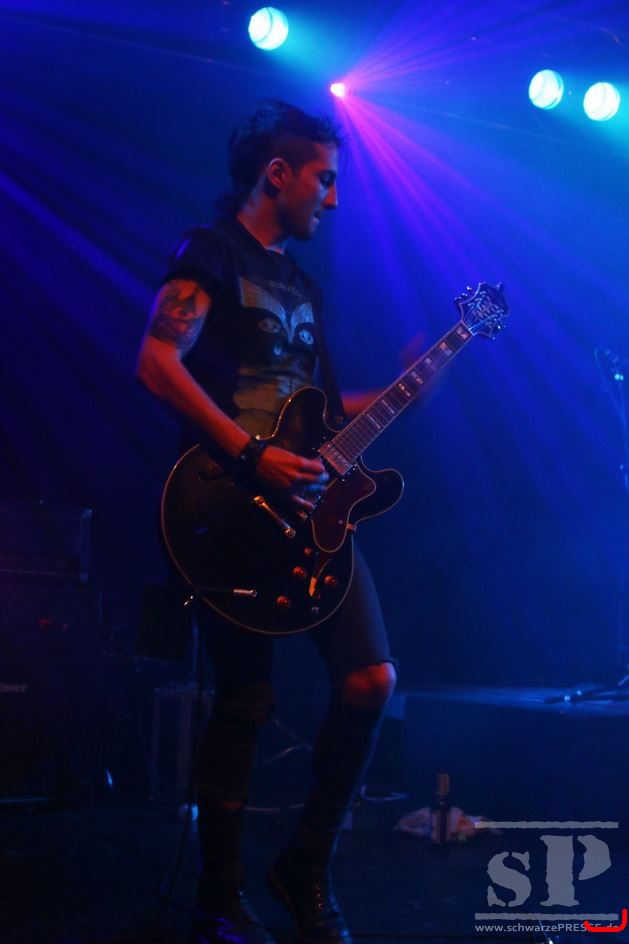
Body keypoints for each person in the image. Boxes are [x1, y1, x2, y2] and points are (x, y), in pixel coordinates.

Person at [136, 99, 397, 944]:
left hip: (303, 511)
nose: (333, 198)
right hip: (222, 506)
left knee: (371, 680)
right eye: (324, 179)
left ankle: (304, 866)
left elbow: (323, 414)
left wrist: (412, 386)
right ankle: (219, 897)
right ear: (277, 174)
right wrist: (250, 454)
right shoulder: (208, 253)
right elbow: (157, 361)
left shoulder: (304, 287)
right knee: (244, 699)